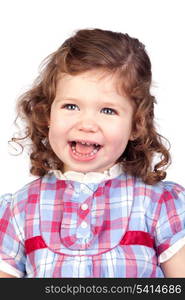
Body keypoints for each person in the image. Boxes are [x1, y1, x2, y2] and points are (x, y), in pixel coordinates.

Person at [0, 28, 185, 278]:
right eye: (71, 106)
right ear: (47, 116)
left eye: (108, 110)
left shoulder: (158, 204)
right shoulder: (19, 209)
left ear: (136, 124)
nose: (86, 123)